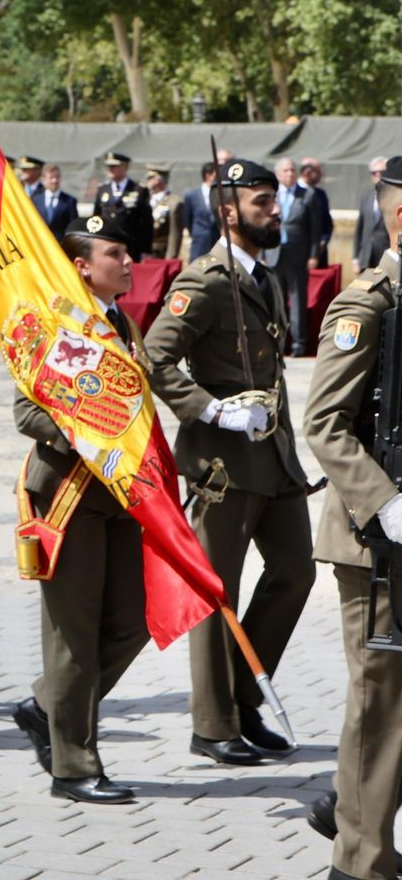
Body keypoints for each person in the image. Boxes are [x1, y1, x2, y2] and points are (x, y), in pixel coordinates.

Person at [144, 157, 313, 767]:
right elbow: (154, 358)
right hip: (223, 465)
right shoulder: (204, 281)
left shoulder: (262, 278)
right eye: (262, 202)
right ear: (228, 211)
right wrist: (211, 411)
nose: (275, 210)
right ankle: (213, 723)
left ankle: (244, 697)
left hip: (273, 458)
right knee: (220, 592)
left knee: (296, 572)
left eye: (274, 200)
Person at [11, 215, 149, 804]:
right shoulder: (57, 322)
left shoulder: (122, 321)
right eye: (115, 253)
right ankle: (74, 767)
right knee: (73, 634)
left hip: (120, 495)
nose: (128, 263)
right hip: (70, 494)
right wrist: (81, 432)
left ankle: (46, 704)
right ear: (82, 265)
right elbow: (27, 412)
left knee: (133, 623)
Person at [301, 154, 402, 880]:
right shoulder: (369, 303)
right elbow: (326, 423)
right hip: (379, 544)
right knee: (380, 703)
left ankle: (357, 814)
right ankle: (359, 861)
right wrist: (387, 502)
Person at [273, 157, 319, 356]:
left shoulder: (307, 195)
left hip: (297, 254)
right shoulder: (271, 195)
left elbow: (315, 229)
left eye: (292, 170)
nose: (289, 174)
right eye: (285, 171)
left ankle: (298, 343)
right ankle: (277, 342)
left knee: (297, 298)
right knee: (275, 299)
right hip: (274, 253)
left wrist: (314, 254)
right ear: (277, 175)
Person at [93, 152, 153, 261]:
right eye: (109, 166)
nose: (110, 169)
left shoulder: (138, 190)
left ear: (125, 167)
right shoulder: (103, 190)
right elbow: (96, 218)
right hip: (107, 244)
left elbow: (147, 223)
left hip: (131, 247)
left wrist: (146, 250)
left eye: (114, 166)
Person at [353, 156, 390, 274]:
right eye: (374, 173)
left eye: (382, 172)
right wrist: (355, 258)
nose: (378, 175)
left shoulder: (395, 197)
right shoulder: (367, 196)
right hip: (366, 257)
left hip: (386, 257)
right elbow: (360, 228)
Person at [178, 162, 221, 261]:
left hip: (217, 241)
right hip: (199, 242)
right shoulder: (192, 196)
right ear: (208, 176)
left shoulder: (222, 195)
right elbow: (187, 219)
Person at [146, 163, 183, 260]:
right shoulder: (146, 199)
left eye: (150, 178)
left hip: (161, 255)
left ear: (158, 180)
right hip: (145, 254)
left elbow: (175, 234)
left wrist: (170, 258)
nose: (147, 181)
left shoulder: (174, 203)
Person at [33, 164, 77, 241]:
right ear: (44, 180)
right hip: (40, 244)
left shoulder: (69, 201)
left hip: (60, 246)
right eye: (51, 177)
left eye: (57, 177)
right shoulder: (36, 200)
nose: (55, 181)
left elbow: (73, 227)